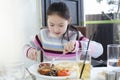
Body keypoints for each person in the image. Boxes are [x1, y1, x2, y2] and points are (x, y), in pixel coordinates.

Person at [24, 2, 103, 61]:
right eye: (51, 25)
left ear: (68, 21)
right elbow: (25, 47)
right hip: (49, 76)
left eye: (61, 25)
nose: (56, 29)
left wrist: (78, 45)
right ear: (47, 21)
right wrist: (29, 51)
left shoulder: (75, 35)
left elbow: (99, 50)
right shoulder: (43, 35)